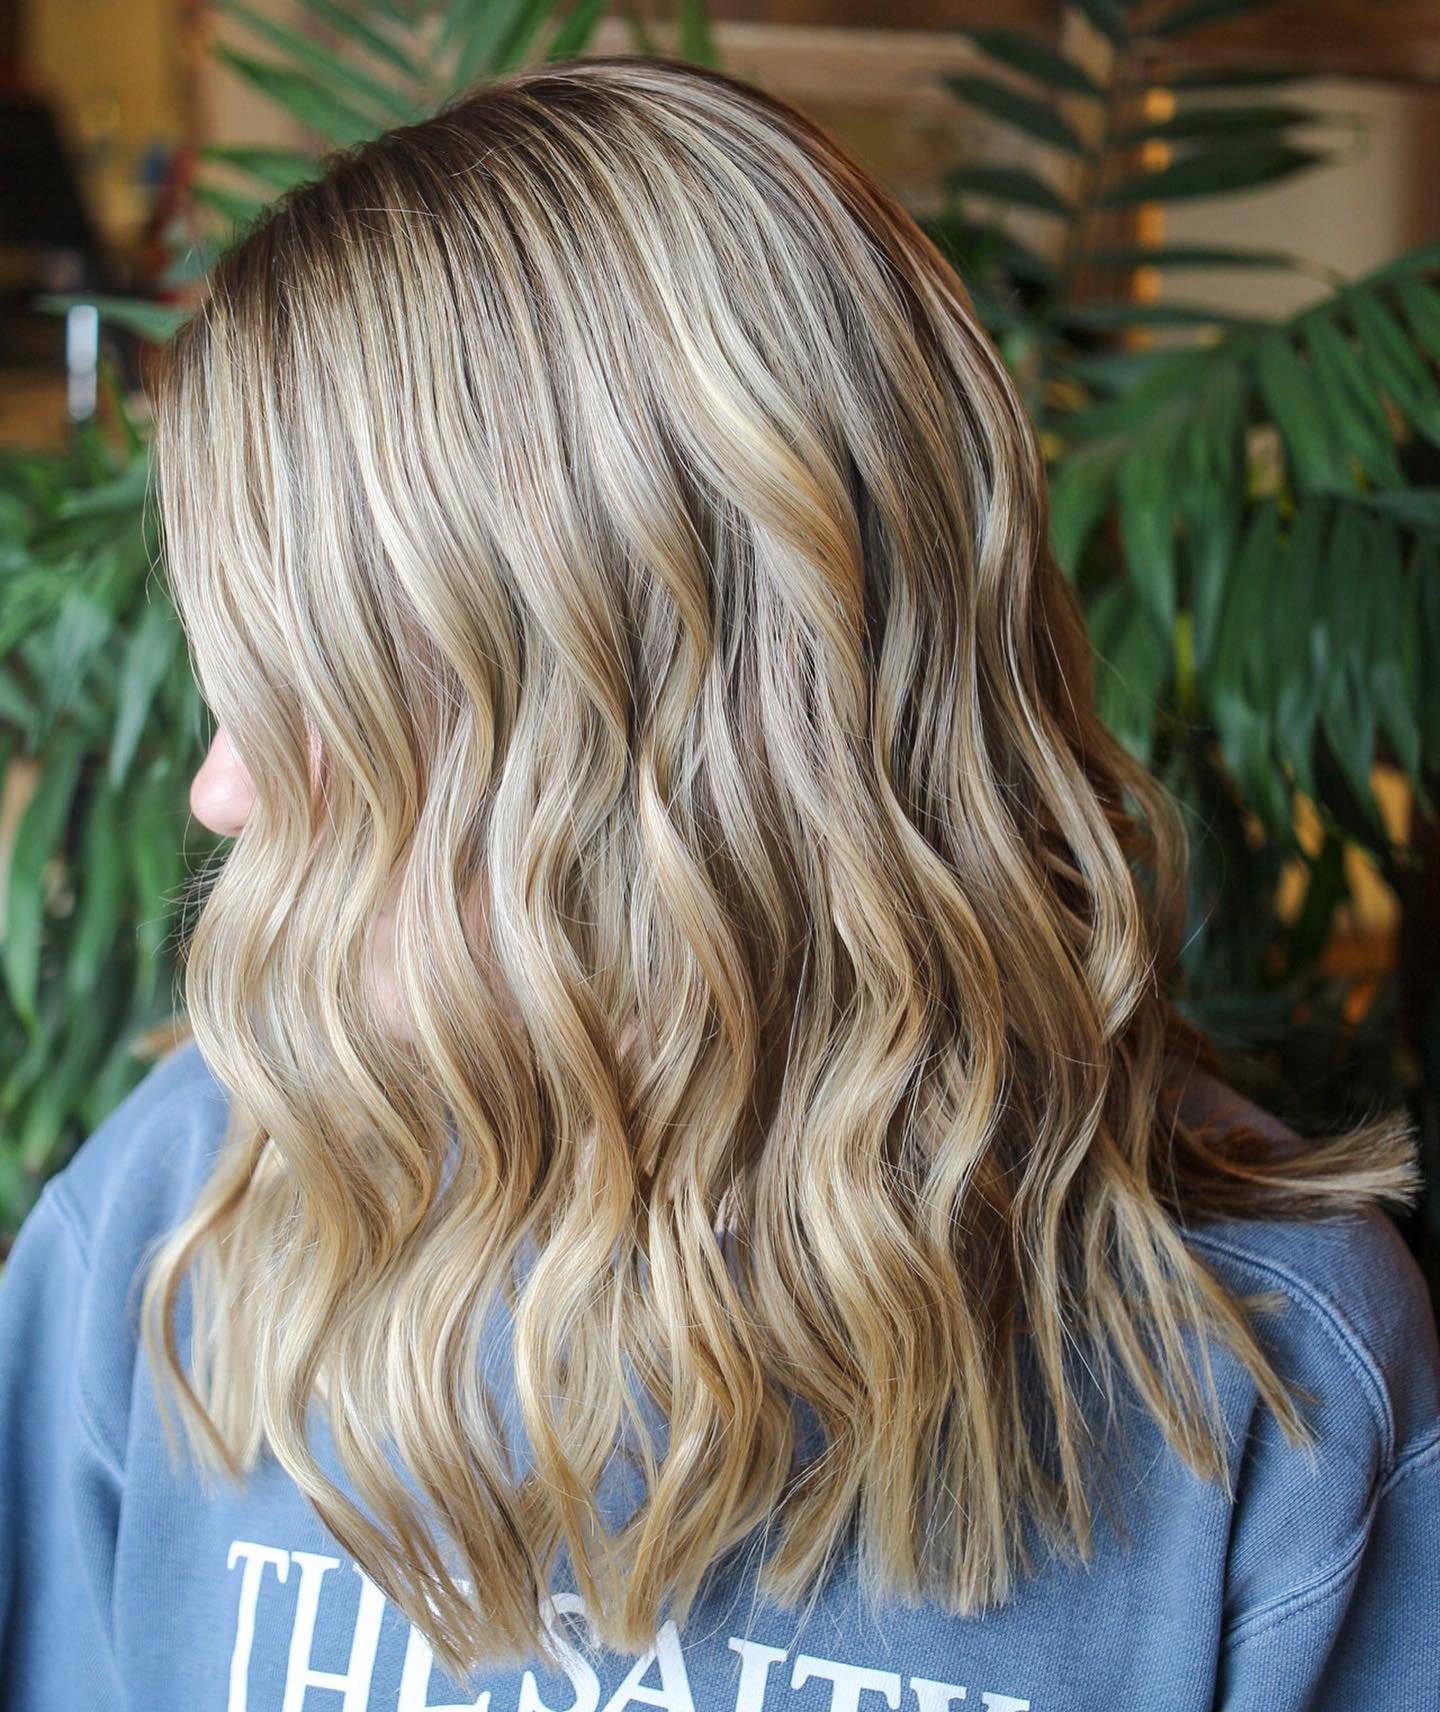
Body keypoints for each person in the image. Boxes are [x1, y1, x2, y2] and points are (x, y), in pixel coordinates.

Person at [1, 52, 1437, 1712]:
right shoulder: (180, 1219)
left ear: (646, 733)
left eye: (315, 696)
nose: (219, 791)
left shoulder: (1268, 1377)